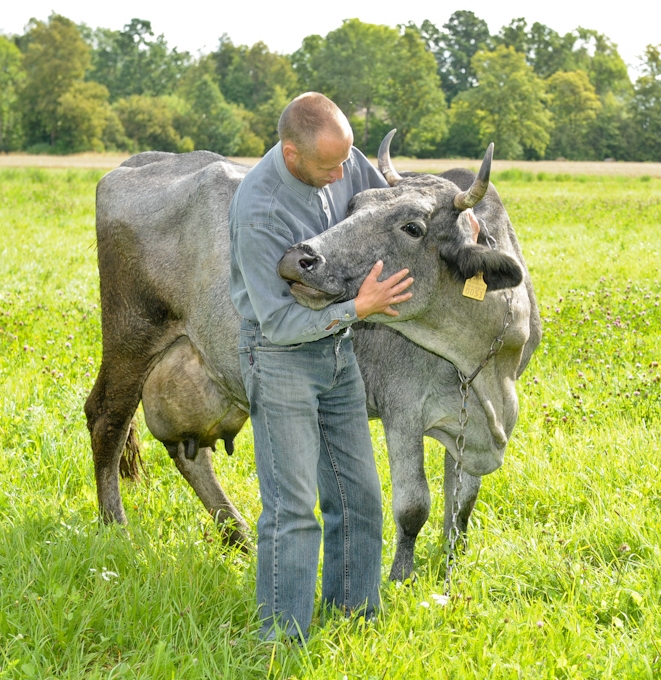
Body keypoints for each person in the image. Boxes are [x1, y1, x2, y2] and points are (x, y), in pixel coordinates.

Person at [228, 92, 413, 639]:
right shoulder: (259, 209)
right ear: (291, 155)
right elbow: (278, 322)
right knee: (292, 509)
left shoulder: (341, 159)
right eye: (329, 166)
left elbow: (386, 205)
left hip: (336, 352)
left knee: (359, 493)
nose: (342, 175)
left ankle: (354, 615)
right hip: (279, 357)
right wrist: (358, 309)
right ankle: (281, 639)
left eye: (346, 160)